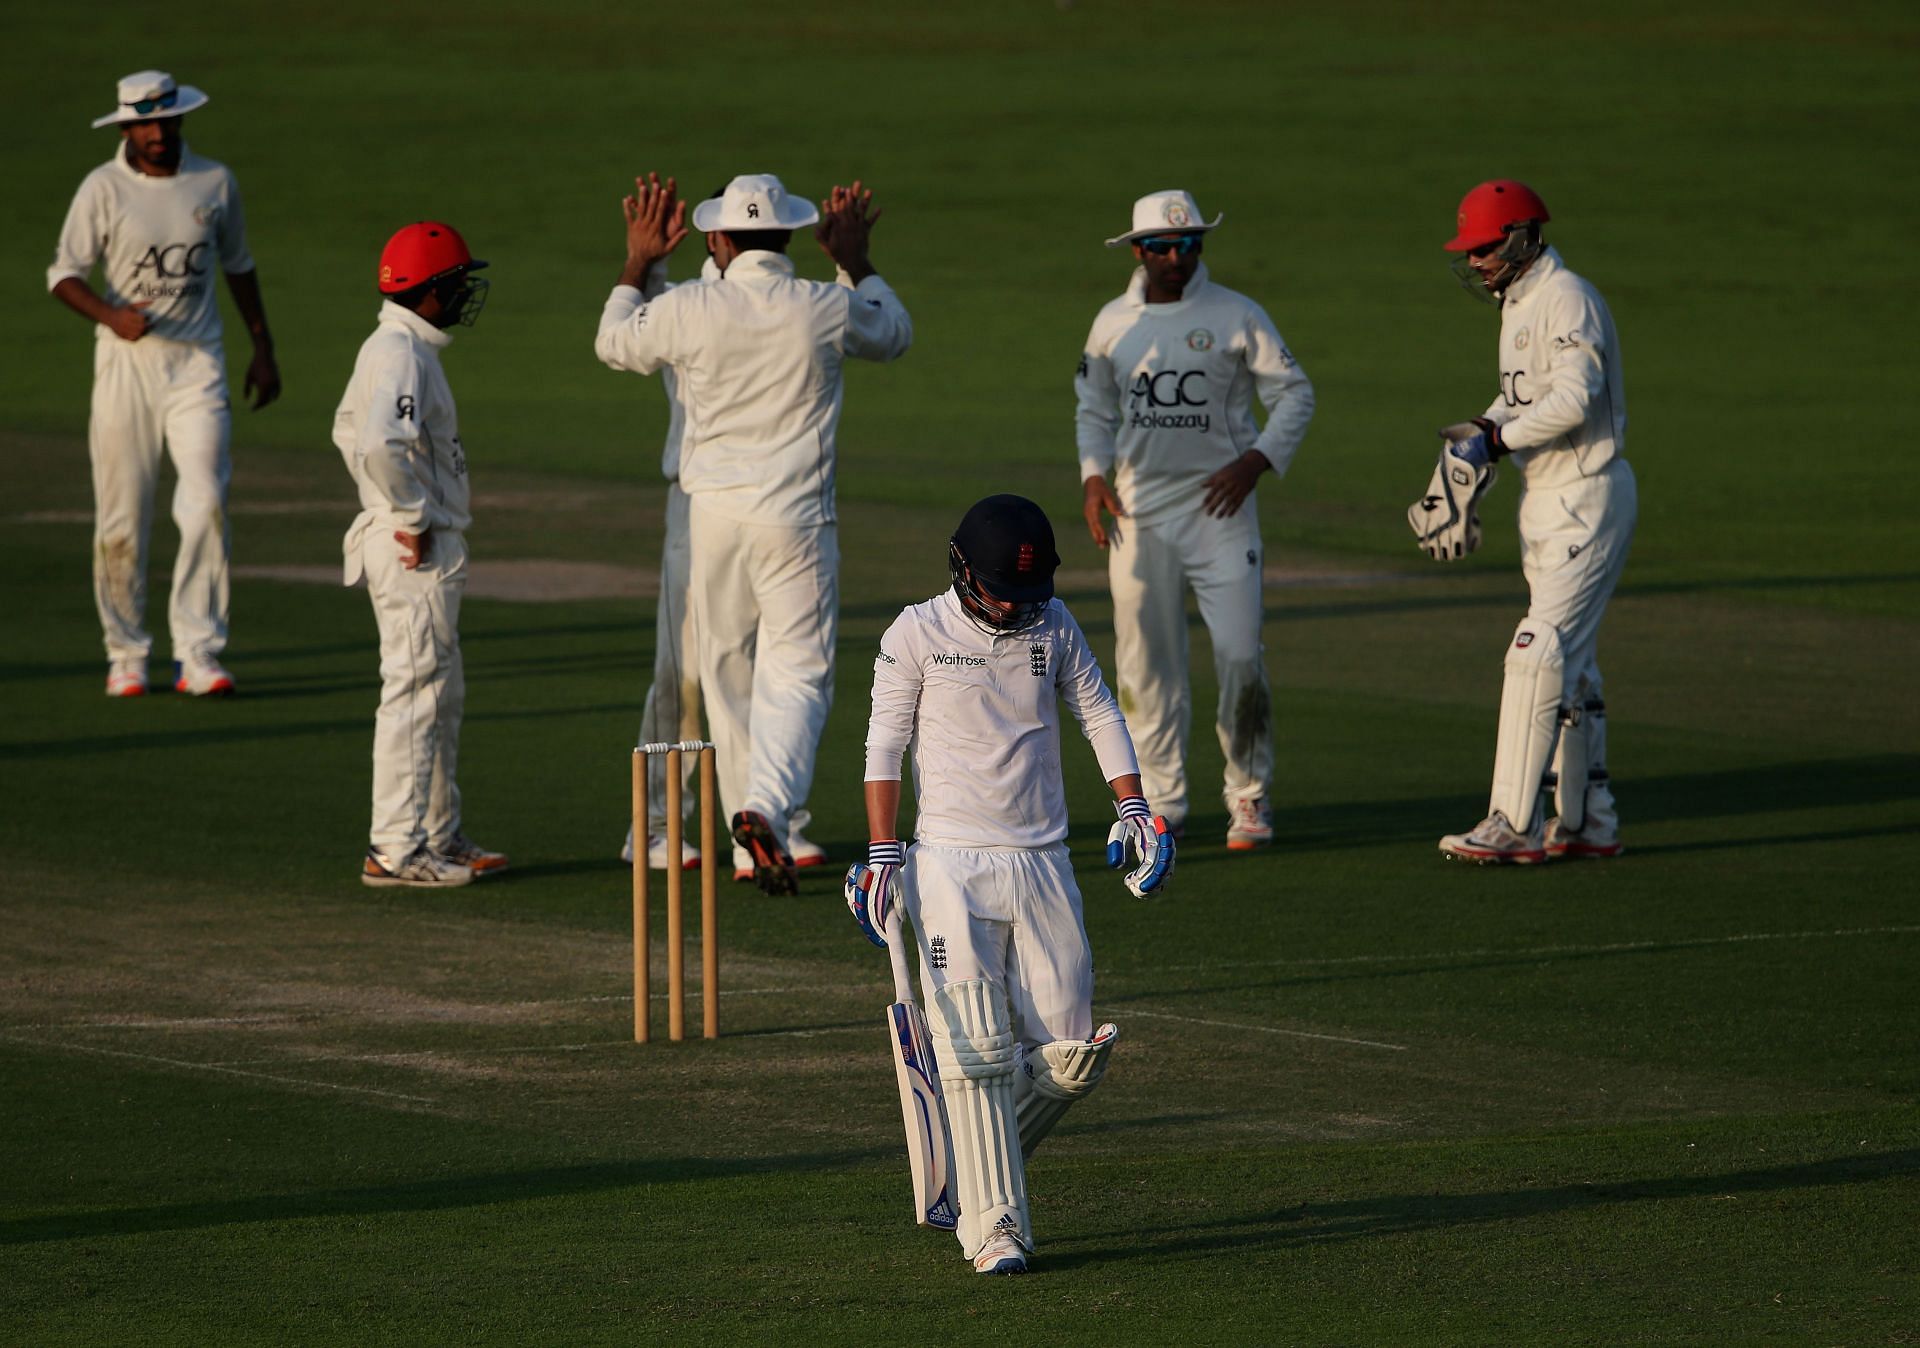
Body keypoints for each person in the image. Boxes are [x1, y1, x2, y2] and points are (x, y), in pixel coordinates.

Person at [845, 494, 1175, 1276]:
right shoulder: (915, 633)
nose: (1014, 608)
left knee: (1071, 1054)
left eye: (1027, 595)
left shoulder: (1053, 624)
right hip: (950, 864)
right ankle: (995, 1230)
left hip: (1043, 860)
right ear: (961, 571)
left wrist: (1134, 805)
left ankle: (968, 1168)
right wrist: (884, 854)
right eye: (1001, 592)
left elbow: (1099, 711)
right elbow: (883, 747)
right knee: (979, 1054)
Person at [595, 173, 911, 894]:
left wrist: (638, 262)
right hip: (796, 521)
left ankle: (753, 828)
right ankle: (763, 810)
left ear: (720, 239)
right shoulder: (824, 305)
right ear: (795, 236)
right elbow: (893, 333)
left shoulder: (688, 306)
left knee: (727, 673)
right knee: (797, 673)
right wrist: (855, 260)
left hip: (711, 521)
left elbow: (613, 342)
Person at [1075, 190, 1314, 850]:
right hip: (1137, 511)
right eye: (1161, 247)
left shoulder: (1237, 315)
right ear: (1138, 250)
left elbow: (1295, 394)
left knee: (1240, 656)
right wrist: (1093, 476)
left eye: (1188, 245)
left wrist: (1256, 461)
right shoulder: (1111, 323)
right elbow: (1092, 410)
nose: (1176, 258)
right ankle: (1159, 799)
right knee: (1145, 663)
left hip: (1221, 509)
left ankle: (1249, 796)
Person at [48, 70, 281, 698]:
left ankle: (198, 650)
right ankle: (125, 652)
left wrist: (263, 348)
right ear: (126, 127)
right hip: (126, 364)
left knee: (205, 500)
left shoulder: (214, 182)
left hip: (197, 364)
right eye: (143, 123)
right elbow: (63, 274)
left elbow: (238, 266)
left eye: (164, 120)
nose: (156, 133)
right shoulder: (103, 189)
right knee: (122, 516)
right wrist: (110, 315)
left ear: (180, 119)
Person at [1431, 180, 1636, 863]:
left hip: (1585, 492)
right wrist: (1482, 427)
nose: (1477, 263)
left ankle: (1511, 823)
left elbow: (1575, 397)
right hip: (1546, 498)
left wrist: (1497, 442)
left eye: (1485, 250)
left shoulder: (1566, 296)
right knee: (1571, 666)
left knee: (1536, 649)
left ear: (1521, 238)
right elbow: (1528, 392)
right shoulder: (1519, 303)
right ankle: (1586, 820)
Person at [611, 242, 828, 879]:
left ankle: (766, 823)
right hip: (700, 500)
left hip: (757, 505)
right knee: (685, 667)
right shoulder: (689, 301)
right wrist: (643, 263)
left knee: (769, 664)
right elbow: (627, 335)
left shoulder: (773, 304)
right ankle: (654, 824)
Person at [333, 222, 506, 888]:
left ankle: (438, 833)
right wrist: (406, 514)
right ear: (431, 292)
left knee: (441, 694)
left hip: (407, 538)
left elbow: (346, 429)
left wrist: (385, 502)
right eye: (458, 282)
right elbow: (378, 442)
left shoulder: (395, 347)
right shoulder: (401, 352)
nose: (466, 291)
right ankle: (395, 850)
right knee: (414, 695)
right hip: (417, 549)